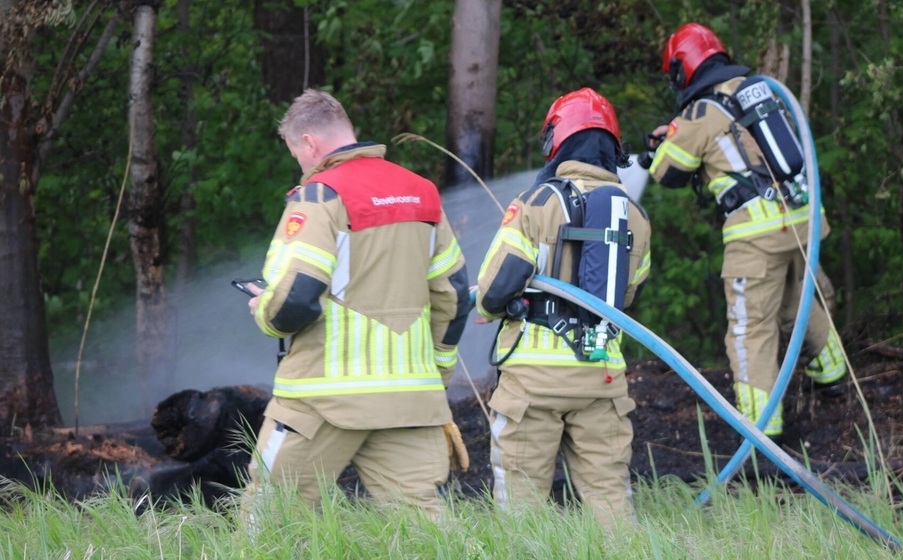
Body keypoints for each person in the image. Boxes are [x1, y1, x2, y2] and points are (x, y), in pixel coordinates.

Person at [243, 89, 471, 520]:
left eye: (297, 153)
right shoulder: (421, 193)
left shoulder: (318, 197)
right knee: (426, 529)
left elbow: (294, 299)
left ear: (309, 143)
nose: (301, 164)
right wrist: (438, 369)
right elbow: (455, 295)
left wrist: (266, 314)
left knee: (270, 516)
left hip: (320, 401)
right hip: (409, 400)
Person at [641, 23, 846, 438]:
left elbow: (667, 170)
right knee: (795, 303)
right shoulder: (759, 90)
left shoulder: (698, 112)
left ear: (683, 72)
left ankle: (761, 431)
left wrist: (660, 143)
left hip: (757, 234)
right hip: (802, 219)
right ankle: (834, 379)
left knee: (749, 328)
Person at [475, 88, 652, 529]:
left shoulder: (534, 204)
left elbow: (494, 290)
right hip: (602, 379)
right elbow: (627, 298)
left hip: (533, 384)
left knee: (521, 507)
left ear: (557, 140)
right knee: (611, 501)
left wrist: (498, 304)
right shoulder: (635, 216)